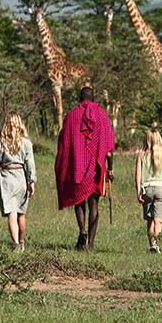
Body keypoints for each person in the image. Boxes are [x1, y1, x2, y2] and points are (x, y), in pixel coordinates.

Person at [55, 87, 114, 252]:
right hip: (95, 167)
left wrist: (64, 166)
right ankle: (91, 245)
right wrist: (110, 169)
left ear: (79, 99)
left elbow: (63, 143)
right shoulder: (102, 115)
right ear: (94, 98)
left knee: (79, 202)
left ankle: (82, 231)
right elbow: (109, 146)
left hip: (77, 166)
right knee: (94, 204)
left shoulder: (71, 116)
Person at [0, 112, 36, 252]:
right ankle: (21, 242)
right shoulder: (26, 144)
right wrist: (31, 181)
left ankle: (15, 243)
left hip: (6, 179)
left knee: (11, 213)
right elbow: (30, 164)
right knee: (21, 213)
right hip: (21, 177)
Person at [135, 127, 162, 253]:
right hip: (161, 188)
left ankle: (152, 245)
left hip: (147, 189)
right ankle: (157, 244)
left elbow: (138, 175)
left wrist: (138, 190)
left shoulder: (141, 155)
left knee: (149, 219)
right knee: (158, 219)